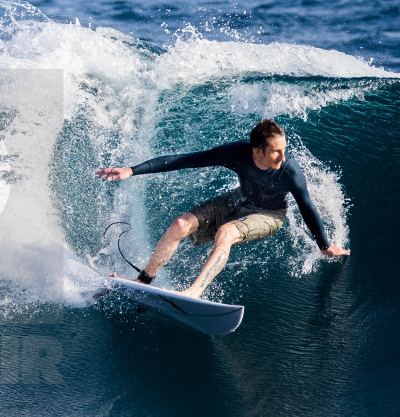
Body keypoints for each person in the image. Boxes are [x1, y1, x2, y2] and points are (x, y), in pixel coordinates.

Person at [95, 119, 350, 298]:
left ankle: (195, 291)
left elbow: (306, 206)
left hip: (270, 214)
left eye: (284, 150)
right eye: (276, 152)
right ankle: (143, 281)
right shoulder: (236, 154)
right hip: (240, 199)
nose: (283, 157)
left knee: (226, 232)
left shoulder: (289, 171)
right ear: (257, 151)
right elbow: (186, 160)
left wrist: (324, 246)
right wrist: (132, 170)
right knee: (180, 225)